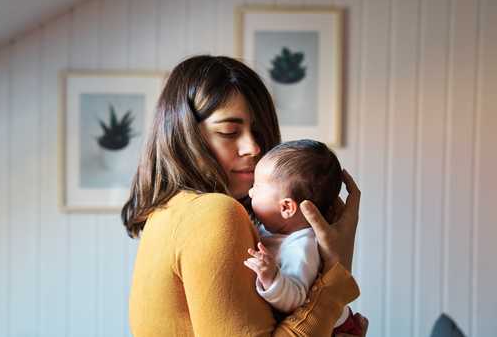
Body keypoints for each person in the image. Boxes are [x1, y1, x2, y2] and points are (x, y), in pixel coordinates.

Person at [122, 55, 367, 336]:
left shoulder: (167, 213)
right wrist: (336, 273)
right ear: (184, 134)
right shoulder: (212, 213)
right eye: (229, 131)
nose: (253, 147)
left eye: (258, 132)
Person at [244, 140, 363, 336]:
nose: (250, 192)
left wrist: (271, 276)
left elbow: (296, 299)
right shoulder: (273, 229)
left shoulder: (301, 247)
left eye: (257, 187)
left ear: (286, 208)